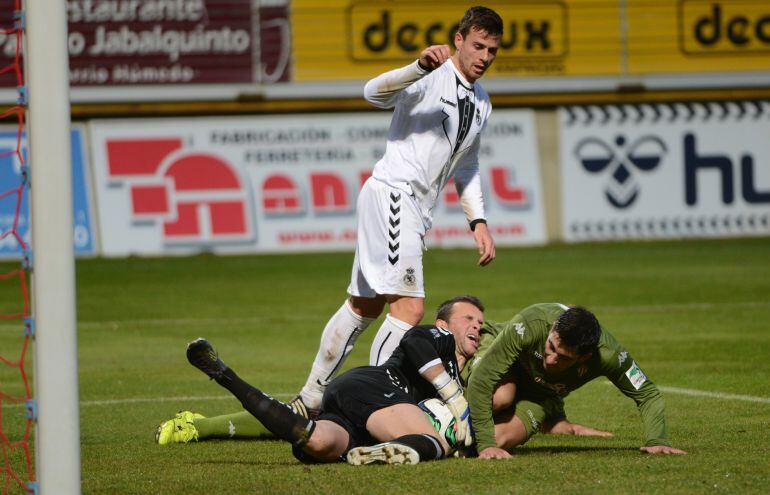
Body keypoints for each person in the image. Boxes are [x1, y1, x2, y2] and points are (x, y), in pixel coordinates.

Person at [292, 6, 502, 416]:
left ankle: (313, 397)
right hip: (394, 195)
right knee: (409, 308)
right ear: (458, 40)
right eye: (477, 46)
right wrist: (418, 65)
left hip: (410, 208)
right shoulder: (430, 77)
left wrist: (478, 220)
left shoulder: (481, 102)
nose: (484, 57)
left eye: (492, 50)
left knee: (363, 305)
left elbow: (469, 164)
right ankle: (374, 405)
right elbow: (373, 93)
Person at [178, 296, 485, 465]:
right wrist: (454, 397)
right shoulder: (440, 337)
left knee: (317, 440)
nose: (477, 327)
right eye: (468, 319)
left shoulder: (460, 376)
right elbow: (413, 342)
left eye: (481, 323)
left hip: (349, 403)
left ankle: (225, 375)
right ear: (444, 323)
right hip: (380, 388)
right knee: (439, 443)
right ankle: (386, 453)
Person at [463, 303, 688, 459]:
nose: (551, 360)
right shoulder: (532, 322)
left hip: (542, 395)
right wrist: (486, 446)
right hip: (506, 366)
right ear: (552, 329)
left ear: (584, 357)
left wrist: (657, 439)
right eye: (551, 347)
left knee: (498, 440)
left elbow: (647, 393)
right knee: (501, 397)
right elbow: (482, 381)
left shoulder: (608, 355)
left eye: (563, 357)